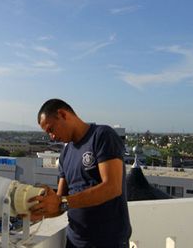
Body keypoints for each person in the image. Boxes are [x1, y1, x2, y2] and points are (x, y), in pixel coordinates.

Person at [29, 99, 132, 248]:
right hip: (75, 241)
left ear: (62, 114)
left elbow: (112, 187)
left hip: (108, 242)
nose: (51, 136)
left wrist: (62, 202)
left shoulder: (102, 136)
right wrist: (40, 211)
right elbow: (60, 201)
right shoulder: (65, 154)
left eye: (51, 129)